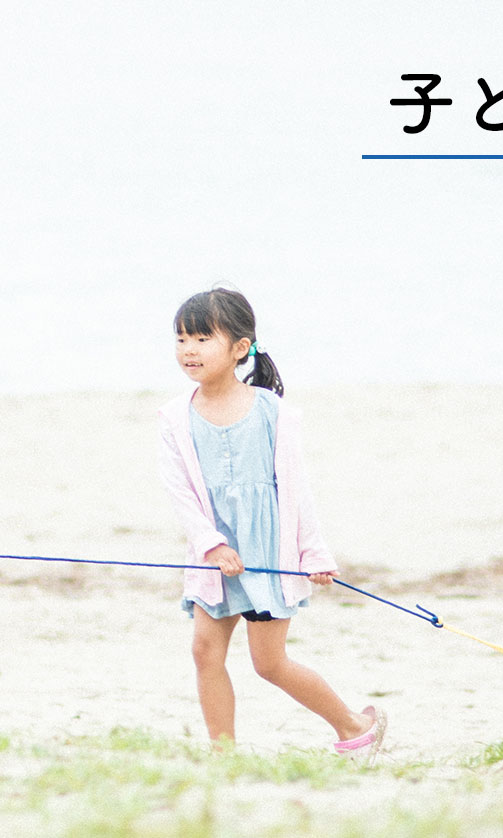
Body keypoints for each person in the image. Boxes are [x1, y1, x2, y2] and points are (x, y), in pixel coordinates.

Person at [158, 287, 383, 755]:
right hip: (214, 557)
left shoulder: (274, 413)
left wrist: (314, 553)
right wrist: (210, 544)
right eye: (181, 339)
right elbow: (179, 490)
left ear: (240, 348)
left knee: (269, 662)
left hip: (268, 553)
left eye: (201, 338)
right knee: (204, 651)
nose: (189, 350)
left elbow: (297, 491)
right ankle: (224, 755)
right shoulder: (175, 416)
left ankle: (352, 725)